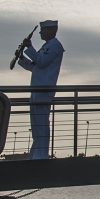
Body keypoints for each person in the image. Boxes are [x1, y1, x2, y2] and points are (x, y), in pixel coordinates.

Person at [17, 20, 64, 159]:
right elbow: (35, 66)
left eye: (43, 31)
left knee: (42, 124)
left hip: (44, 89)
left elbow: (42, 62)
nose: (40, 33)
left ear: (51, 30)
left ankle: (41, 155)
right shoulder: (47, 46)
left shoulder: (55, 46)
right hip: (37, 89)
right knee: (36, 125)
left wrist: (29, 48)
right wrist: (22, 58)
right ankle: (36, 153)